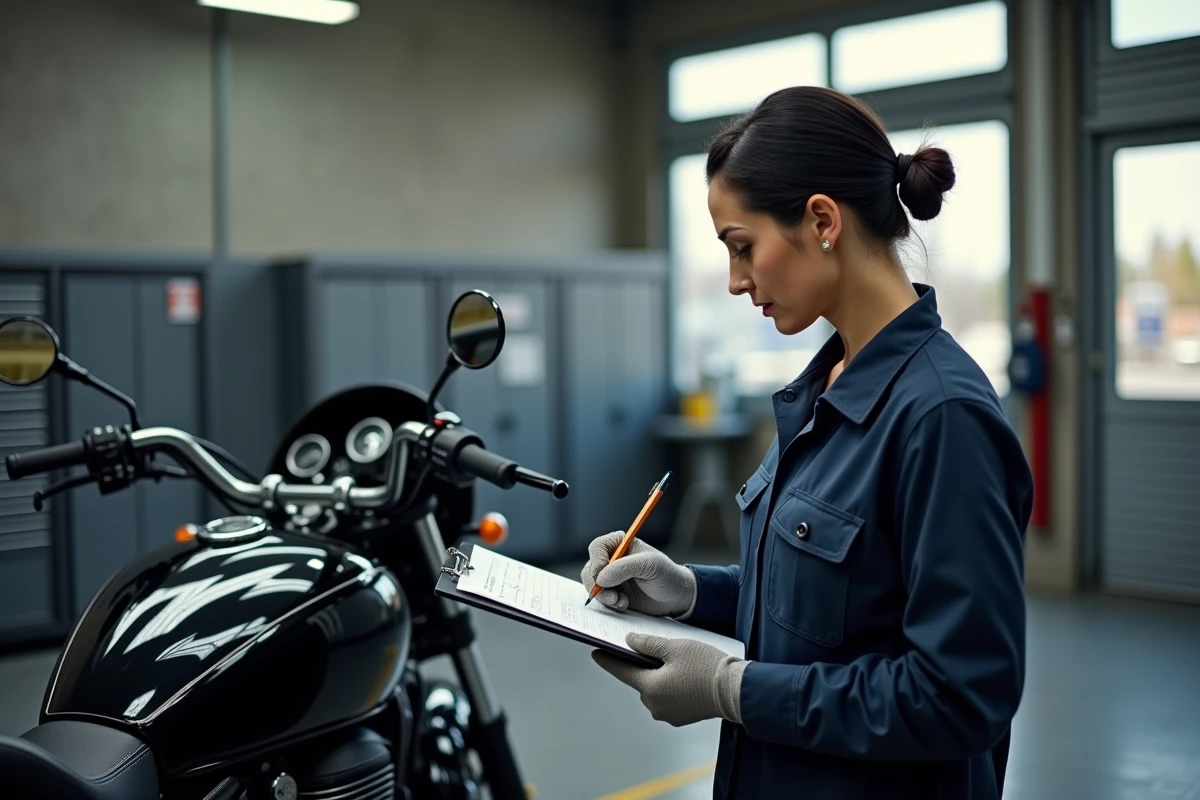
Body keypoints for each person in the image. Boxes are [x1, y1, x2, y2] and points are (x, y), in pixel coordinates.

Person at [581, 85, 1033, 800]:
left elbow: (958, 697)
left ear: (822, 220)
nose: (735, 281)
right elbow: (835, 609)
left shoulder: (943, 417)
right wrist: (690, 592)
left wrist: (734, 690)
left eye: (742, 247)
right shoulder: (826, 387)